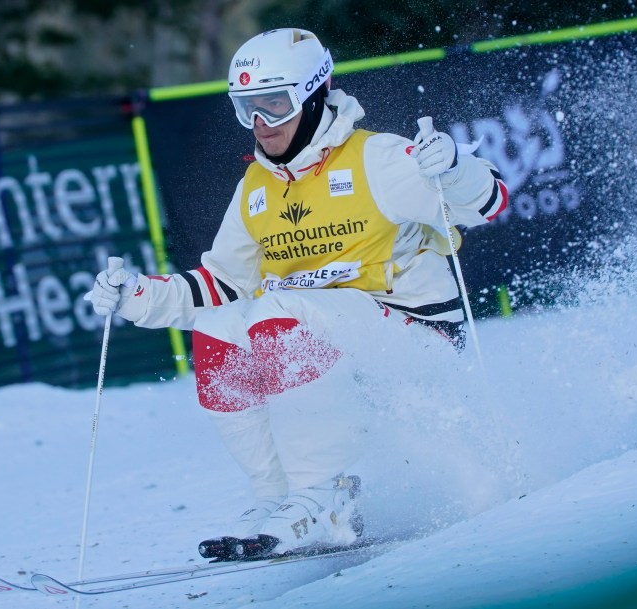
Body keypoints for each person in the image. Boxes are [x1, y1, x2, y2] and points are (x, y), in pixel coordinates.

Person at [89, 27, 508, 559]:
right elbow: (221, 284)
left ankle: (324, 494)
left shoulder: (375, 158)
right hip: (333, 335)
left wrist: (454, 169)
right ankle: (276, 497)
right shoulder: (257, 186)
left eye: (274, 105)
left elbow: (487, 202)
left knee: (279, 308)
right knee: (218, 327)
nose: (260, 125)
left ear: (313, 96)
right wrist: (134, 296)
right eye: (246, 109)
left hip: (418, 338)